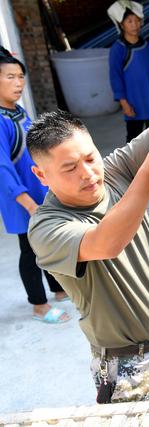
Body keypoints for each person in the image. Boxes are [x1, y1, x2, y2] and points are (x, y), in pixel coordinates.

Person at [27, 110, 149, 403]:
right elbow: (107, 242)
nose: (88, 173)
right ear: (41, 175)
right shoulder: (46, 227)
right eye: (70, 168)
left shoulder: (113, 172)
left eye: (90, 158)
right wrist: (148, 172)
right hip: (131, 368)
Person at [0, 47, 70, 323]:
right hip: (20, 199)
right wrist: (27, 202)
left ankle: (57, 289)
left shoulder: (17, 111)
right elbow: (2, 169)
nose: (18, 83)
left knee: (48, 242)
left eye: (20, 76)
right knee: (30, 250)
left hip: (38, 194)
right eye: (9, 77)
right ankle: (39, 305)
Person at [108, 1, 149, 143]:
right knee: (134, 140)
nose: (135, 24)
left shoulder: (148, 46)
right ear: (121, 25)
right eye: (130, 21)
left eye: (137, 20)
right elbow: (115, 77)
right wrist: (124, 103)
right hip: (135, 102)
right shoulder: (118, 49)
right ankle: (134, 165)